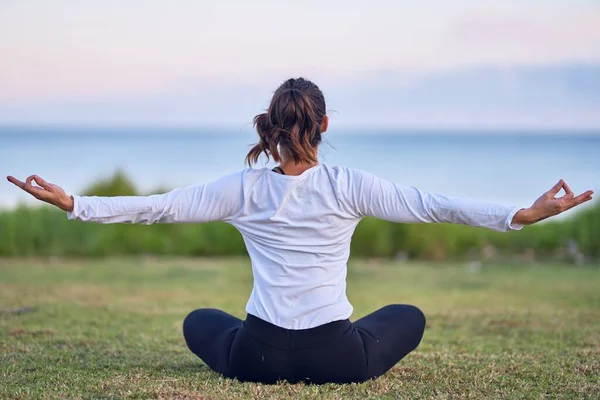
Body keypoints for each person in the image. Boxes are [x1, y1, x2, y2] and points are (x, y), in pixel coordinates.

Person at [7, 77, 593, 385]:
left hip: (256, 355)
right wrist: (519, 215)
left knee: (197, 322)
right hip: (336, 356)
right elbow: (433, 205)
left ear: (271, 127)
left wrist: (74, 203)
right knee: (408, 315)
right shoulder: (347, 183)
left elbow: (159, 207)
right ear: (324, 124)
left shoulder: (244, 187)